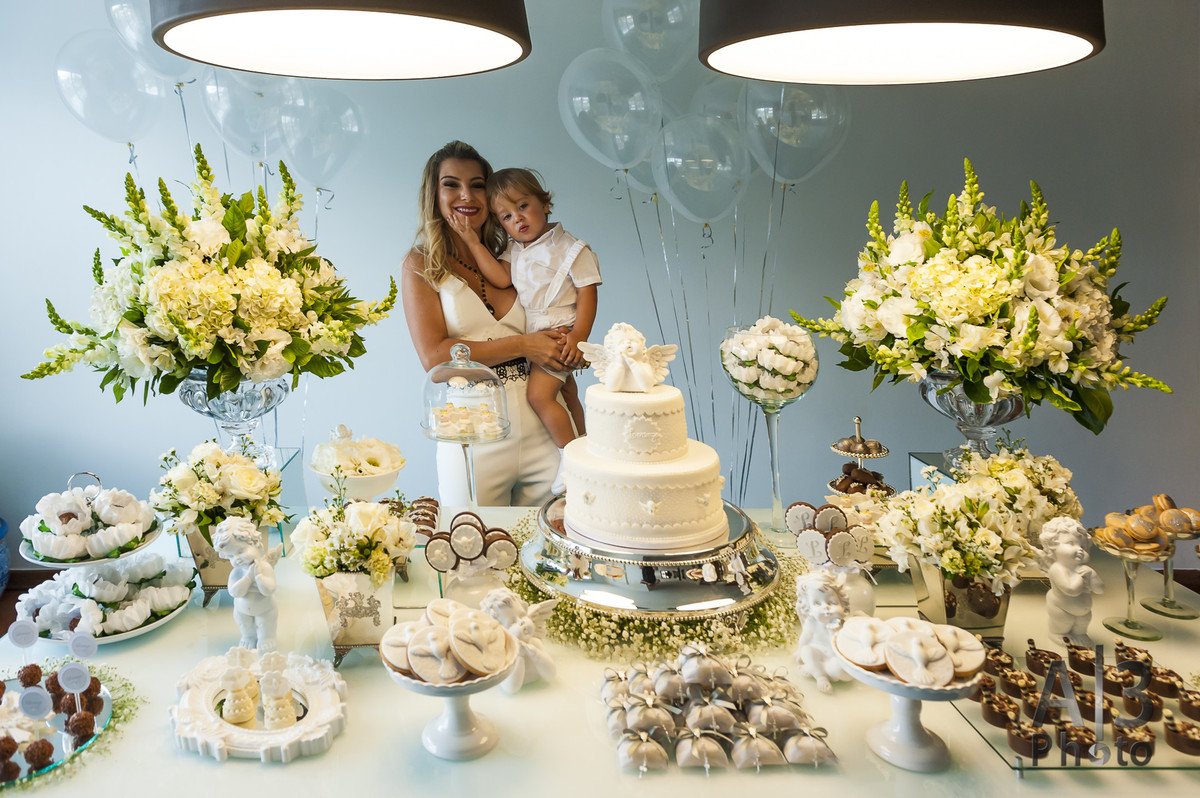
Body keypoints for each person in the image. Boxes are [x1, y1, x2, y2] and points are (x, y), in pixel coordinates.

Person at [401, 141, 567, 506]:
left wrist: (580, 440)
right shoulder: (421, 264)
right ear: (434, 194)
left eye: (477, 184)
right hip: (474, 431)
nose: (466, 195)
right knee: (474, 553)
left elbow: (556, 333)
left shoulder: (514, 257)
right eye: (451, 184)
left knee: (554, 551)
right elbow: (435, 358)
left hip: (546, 425)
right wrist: (525, 345)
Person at [454, 168, 600, 492]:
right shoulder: (517, 249)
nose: (517, 219)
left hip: (558, 333)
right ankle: (585, 446)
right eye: (506, 216)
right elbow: (501, 278)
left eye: (523, 206)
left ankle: (570, 459)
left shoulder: (571, 249)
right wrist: (471, 241)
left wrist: (579, 336)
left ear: (544, 203)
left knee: (539, 396)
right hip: (538, 331)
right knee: (567, 393)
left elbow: (588, 291)